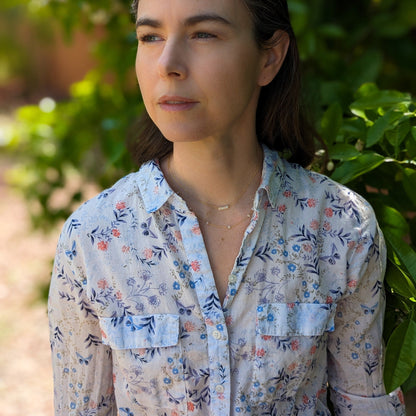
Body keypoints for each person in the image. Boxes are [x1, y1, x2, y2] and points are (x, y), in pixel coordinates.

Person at [48, 0, 406, 415]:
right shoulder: (94, 240)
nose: (168, 64)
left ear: (269, 57)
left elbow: (366, 407)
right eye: (150, 37)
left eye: (203, 33)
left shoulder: (340, 227)